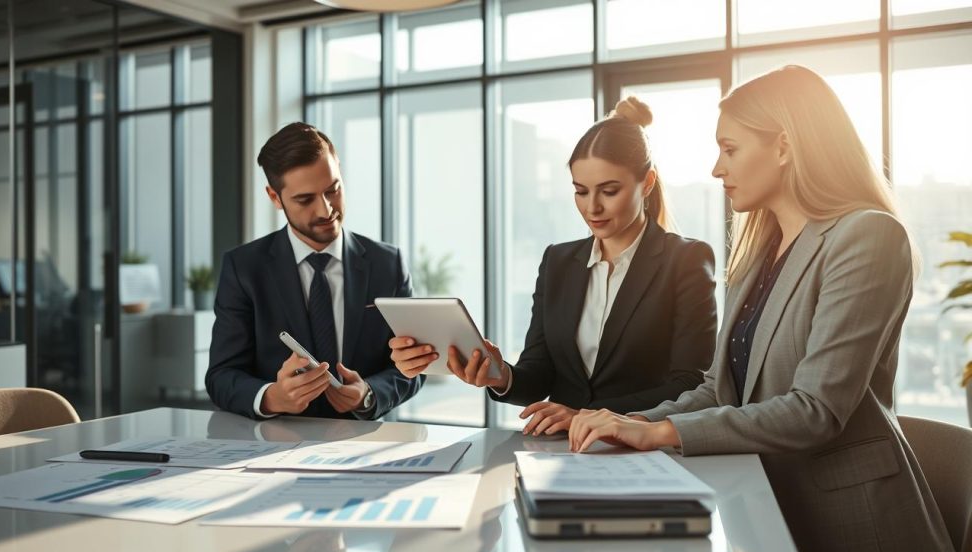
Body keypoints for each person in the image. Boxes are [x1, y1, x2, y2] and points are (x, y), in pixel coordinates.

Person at [567, 66, 954, 552]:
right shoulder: (759, 251)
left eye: (729, 149)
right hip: (767, 512)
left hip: (858, 537)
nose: (715, 168)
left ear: (784, 147)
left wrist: (659, 432)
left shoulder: (867, 237)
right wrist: (626, 425)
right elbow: (721, 389)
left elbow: (815, 410)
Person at [389, 97, 718, 435]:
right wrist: (501, 374)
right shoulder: (558, 262)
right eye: (580, 191)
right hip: (562, 449)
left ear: (646, 183)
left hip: (646, 449)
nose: (593, 207)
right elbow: (540, 373)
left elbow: (690, 384)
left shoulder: (686, 260)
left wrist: (584, 415)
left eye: (609, 191)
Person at [205, 122, 423, 420]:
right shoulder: (244, 268)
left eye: (333, 190)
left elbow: (413, 366)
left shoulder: (388, 264)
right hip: (270, 448)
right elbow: (221, 376)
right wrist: (272, 397)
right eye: (305, 200)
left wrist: (369, 393)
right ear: (274, 197)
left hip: (365, 446)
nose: (326, 210)